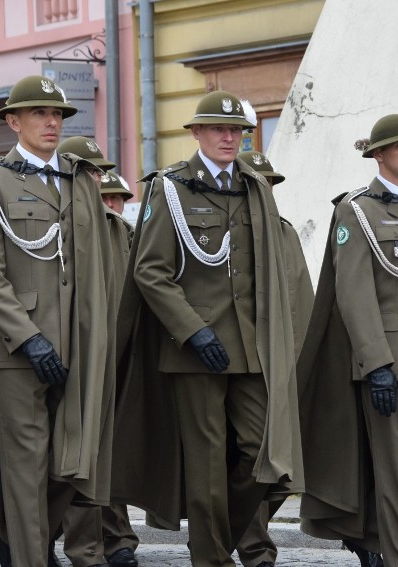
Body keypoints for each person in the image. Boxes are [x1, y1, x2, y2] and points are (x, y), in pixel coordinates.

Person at [113, 91, 302, 567]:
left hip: (250, 347)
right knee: (206, 465)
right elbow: (150, 271)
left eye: (236, 130)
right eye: (218, 128)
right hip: (193, 350)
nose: (228, 137)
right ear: (195, 133)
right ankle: (210, 559)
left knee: (265, 455)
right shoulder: (170, 188)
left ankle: (216, 537)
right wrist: (193, 331)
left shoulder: (255, 186)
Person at [297, 114, 398, 567]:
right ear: (378, 154)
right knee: (390, 467)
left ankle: (369, 523)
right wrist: (376, 363)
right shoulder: (357, 209)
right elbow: (352, 292)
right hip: (388, 358)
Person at [0, 75, 116, 567]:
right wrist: (29, 339)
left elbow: (95, 265)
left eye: (57, 116)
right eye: (38, 114)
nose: (51, 123)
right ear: (13, 122)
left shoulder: (79, 178)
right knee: (27, 468)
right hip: (16, 350)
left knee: (72, 466)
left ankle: (12, 535)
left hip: (78, 341)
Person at [54, 136, 138, 567]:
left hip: (114, 351)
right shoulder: (60, 223)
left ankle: (116, 535)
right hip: (65, 353)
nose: (103, 190)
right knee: (75, 453)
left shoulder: (120, 232)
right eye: (91, 176)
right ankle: (85, 547)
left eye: (103, 179)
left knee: (106, 449)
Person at [234, 151, 313, 567]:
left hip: (287, 367)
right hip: (246, 365)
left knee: (286, 473)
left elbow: (302, 299)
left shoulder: (284, 232)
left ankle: (240, 535)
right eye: (258, 183)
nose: (267, 191)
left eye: (271, 184)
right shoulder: (237, 232)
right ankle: (254, 548)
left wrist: (305, 364)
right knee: (255, 460)